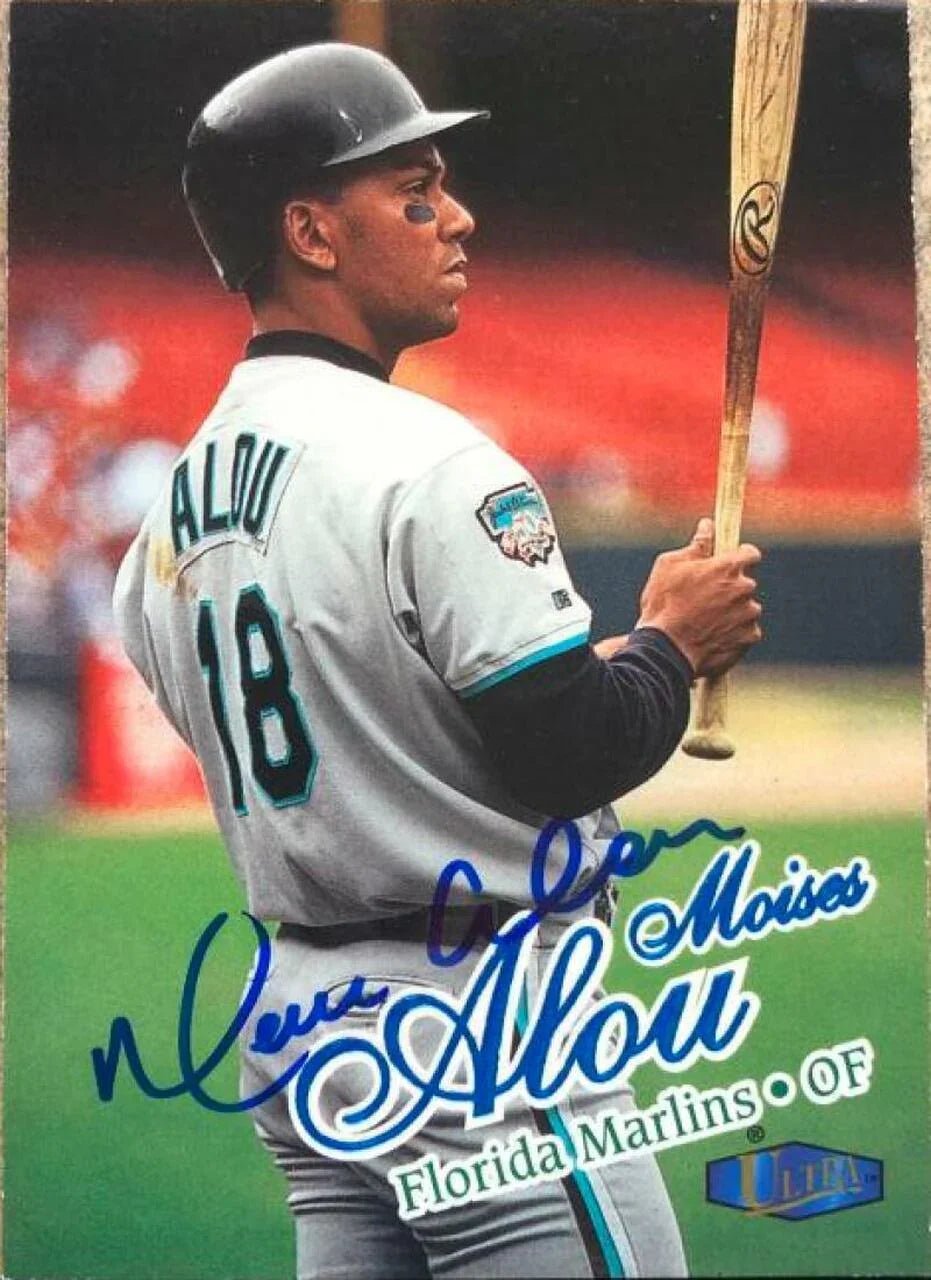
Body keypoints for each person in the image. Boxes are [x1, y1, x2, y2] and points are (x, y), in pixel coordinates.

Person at [114, 41, 762, 1280]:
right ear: (310, 232)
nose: (457, 216)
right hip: (480, 1025)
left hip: (299, 1021)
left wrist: (620, 653)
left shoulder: (166, 518)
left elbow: (380, 729)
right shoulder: (431, 460)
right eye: (414, 190)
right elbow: (570, 749)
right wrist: (673, 643)